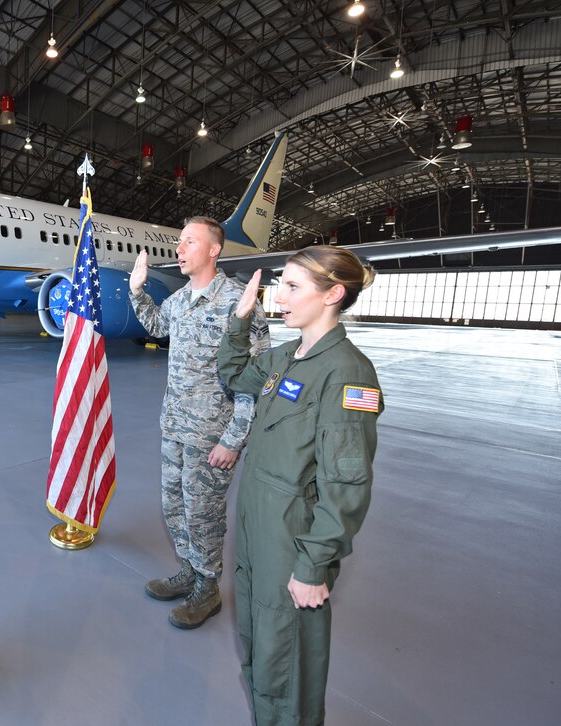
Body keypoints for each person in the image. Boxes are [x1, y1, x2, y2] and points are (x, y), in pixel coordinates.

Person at [218, 246, 383, 725]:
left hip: (293, 533)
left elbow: (347, 480)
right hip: (256, 522)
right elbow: (233, 375)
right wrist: (239, 319)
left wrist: (314, 564)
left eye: (293, 286)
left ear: (333, 293)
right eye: (279, 284)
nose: (279, 296)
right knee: (256, 639)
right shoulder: (286, 355)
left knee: (286, 658)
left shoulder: (348, 373)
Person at [128, 215, 270, 629]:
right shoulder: (182, 298)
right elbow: (157, 326)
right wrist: (137, 293)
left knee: (202, 511)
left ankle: (207, 588)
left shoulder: (238, 303)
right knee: (174, 506)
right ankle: (189, 571)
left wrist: (234, 438)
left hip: (212, 435)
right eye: (179, 242)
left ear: (213, 250)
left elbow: (254, 378)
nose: (179, 249)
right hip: (174, 425)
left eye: (189, 241)